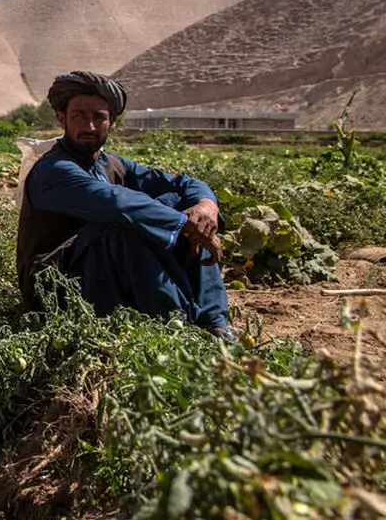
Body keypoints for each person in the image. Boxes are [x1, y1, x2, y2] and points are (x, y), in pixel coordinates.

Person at [15, 71, 233, 339]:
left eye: (98, 117)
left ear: (112, 121)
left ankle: (215, 324)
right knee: (123, 228)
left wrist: (206, 207)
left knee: (179, 205)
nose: (89, 127)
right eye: (79, 116)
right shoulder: (53, 170)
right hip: (56, 289)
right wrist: (185, 224)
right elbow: (117, 203)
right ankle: (176, 326)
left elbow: (180, 183)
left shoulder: (111, 164)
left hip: (104, 279)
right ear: (62, 118)